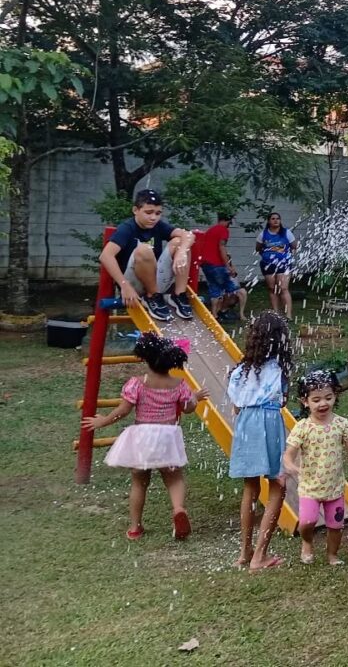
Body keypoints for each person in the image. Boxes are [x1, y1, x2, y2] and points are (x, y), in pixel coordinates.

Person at [81, 334, 209, 541]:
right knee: (174, 478)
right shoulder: (179, 384)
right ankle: (178, 509)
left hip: (143, 438)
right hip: (167, 436)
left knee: (139, 482)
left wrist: (103, 421)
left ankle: (135, 527)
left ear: (146, 358)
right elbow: (188, 409)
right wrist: (195, 398)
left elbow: (123, 410)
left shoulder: (137, 383)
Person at [228, 311, 293, 571]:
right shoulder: (279, 370)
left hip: (245, 424)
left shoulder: (239, 371)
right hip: (268, 423)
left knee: (250, 489)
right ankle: (260, 555)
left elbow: (235, 407)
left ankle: (245, 552)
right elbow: (282, 400)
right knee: (278, 485)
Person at [283, 370, 348, 566]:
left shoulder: (341, 424)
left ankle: (332, 555)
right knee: (307, 522)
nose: (323, 404)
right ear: (305, 401)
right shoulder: (303, 427)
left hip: (335, 487)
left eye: (328, 397)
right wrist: (291, 465)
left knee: (336, 525)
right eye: (316, 399)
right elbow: (288, 454)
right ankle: (307, 542)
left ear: (335, 396)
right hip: (310, 488)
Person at [99, 188, 196, 322]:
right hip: (133, 283)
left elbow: (188, 235)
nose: (153, 217)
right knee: (144, 249)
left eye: (158, 213)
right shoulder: (127, 228)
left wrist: (181, 252)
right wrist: (124, 285)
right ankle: (152, 297)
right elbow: (106, 256)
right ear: (135, 210)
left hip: (155, 280)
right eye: (148, 212)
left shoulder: (158, 226)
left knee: (180, 243)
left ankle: (178, 295)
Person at [195, 213, 247, 322]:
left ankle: (214, 316)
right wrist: (228, 266)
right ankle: (230, 312)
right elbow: (222, 247)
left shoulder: (210, 230)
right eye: (230, 222)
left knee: (215, 290)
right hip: (217, 265)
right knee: (235, 290)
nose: (230, 225)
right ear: (228, 220)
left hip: (205, 265)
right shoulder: (223, 230)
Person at [256, 212, 297, 319]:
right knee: (272, 288)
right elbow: (258, 248)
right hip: (268, 264)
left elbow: (294, 246)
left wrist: (286, 256)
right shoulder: (263, 234)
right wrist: (266, 255)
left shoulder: (286, 233)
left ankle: (288, 314)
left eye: (278, 218)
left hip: (283, 264)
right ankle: (276, 313)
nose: (275, 220)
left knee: (283, 288)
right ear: (269, 221)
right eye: (273, 219)